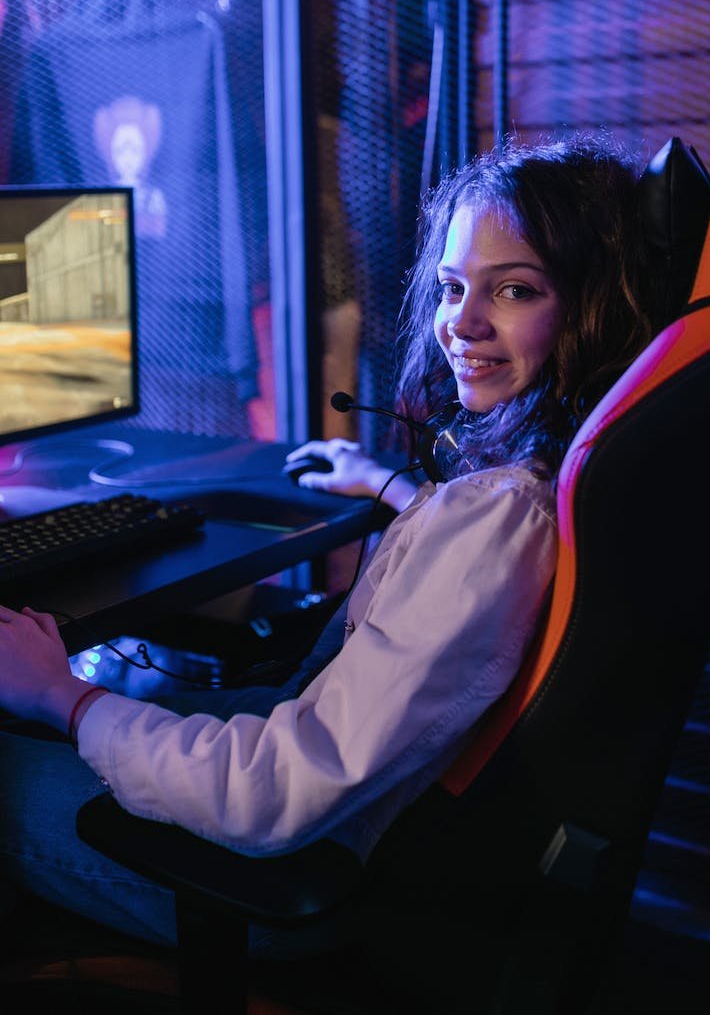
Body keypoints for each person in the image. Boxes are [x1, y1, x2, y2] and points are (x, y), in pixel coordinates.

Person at [0, 132, 658, 954]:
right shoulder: (535, 490)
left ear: (596, 306)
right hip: (354, 813)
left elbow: (275, 793)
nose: (463, 323)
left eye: (515, 290)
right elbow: (476, 575)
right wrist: (389, 487)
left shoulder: (498, 520)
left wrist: (63, 696)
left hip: (297, 873)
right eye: (452, 288)